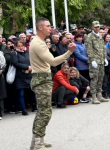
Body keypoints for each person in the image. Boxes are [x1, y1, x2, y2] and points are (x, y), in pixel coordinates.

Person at [29, 17, 77, 150]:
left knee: (43, 112)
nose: (51, 28)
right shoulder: (38, 43)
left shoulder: (40, 42)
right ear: (40, 28)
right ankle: (38, 143)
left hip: (43, 79)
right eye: (48, 26)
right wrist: (69, 52)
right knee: (45, 112)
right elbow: (54, 62)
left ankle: (37, 141)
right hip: (41, 80)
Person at [85, 21, 109, 104]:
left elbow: (102, 48)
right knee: (94, 79)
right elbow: (89, 49)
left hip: (101, 60)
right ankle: (94, 97)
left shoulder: (100, 36)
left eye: (98, 27)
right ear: (92, 27)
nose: (97, 28)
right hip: (94, 61)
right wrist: (92, 60)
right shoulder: (89, 37)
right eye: (95, 27)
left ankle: (99, 95)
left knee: (100, 78)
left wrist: (105, 58)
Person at [11, 41, 37, 115]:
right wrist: (26, 68)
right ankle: (23, 110)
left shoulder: (28, 52)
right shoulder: (14, 54)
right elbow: (15, 63)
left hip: (29, 75)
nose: (21, 47)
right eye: (19, 46)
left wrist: (30, 68)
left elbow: (32, 61)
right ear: (16, 46)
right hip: (20, 76)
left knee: (33, 91)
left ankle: (35, 106)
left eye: (21, 45)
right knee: (21, 94)